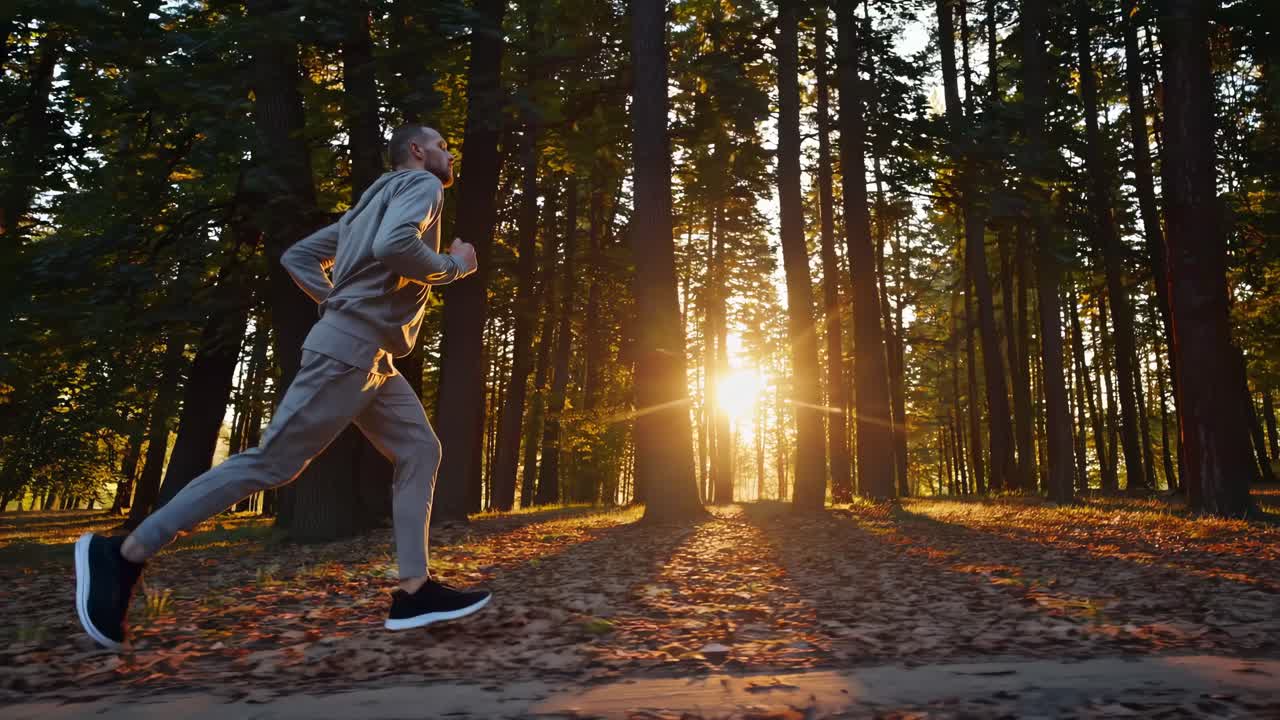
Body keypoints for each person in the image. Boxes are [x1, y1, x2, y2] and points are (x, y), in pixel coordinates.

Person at [74, 125, 491, 650]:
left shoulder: (363, 209)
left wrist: (337, 302)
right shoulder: (422, 185)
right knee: (272, 462)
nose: (449, 154)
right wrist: (454, 266)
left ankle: (415, 590)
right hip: (350, 351)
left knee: (419, 449)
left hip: (372, 357)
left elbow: (298, 256)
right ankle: (123, 554)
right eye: (442, 146)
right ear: (416, 151)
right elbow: (394, 245)